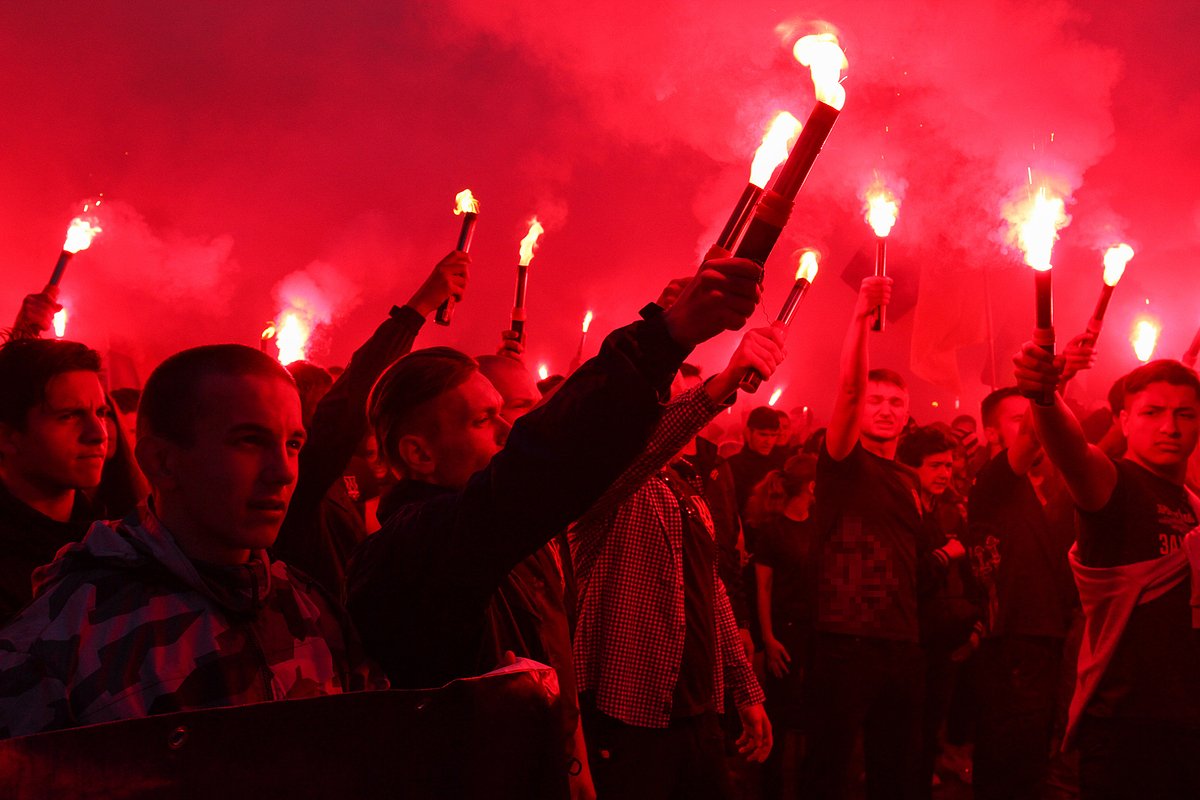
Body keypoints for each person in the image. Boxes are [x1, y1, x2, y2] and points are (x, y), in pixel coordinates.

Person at [346, 256, 763, 693]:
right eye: (484, 419)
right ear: (419, 452)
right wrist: (663, 338)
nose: (508, 430)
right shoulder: (413, 550)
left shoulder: (519, 546)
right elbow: (541, 461)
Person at [0, 344, 387, 738]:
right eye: (249, 441)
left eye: (293, 444)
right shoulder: (59, 643)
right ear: (162, 462)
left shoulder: (311, 608)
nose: (283, 472)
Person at [571, 324, 782, 800]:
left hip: (697, 706)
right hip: (628, 710)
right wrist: (725, 381)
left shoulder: (686, 487)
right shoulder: (602, 486)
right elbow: (643, 451)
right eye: (672, 404)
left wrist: (745, 690)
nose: (688, 415)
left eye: (687, 401)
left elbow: (711, 592)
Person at [1013, 349, 1200, 799]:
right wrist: (1044, 398)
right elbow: (1073, 453)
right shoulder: (1112, 484)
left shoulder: (1194, 505)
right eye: (1152, 412)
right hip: (1126, 726)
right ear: (1123, 419)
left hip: (1190, 725)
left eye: (1185, 415)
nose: (1170, 427)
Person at [273, 251, 468, 596]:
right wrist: (415, 310)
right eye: (322, 403)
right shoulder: (294, 484)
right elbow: (346, 406)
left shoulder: (341, 480)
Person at [799, 275, 927, 800]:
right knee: (828, 769)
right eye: (876, 399)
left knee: (895, 771)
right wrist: (859, 316)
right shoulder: (843, 462)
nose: (885, 408)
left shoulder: (911, 480)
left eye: (896, 401)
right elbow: (848, 391)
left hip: (902, 642)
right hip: (844, 638)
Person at [965, 387, 1078, 799]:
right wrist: (1052, 382)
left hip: (1052, 636)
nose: (1031, 424)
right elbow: (1036, 432)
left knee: (1039, 758)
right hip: (1011, 639)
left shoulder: (1052, 488)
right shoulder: (991, 482)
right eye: (1017, 418)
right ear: (992, 435)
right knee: (1007, 759)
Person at [897, 424, 984, 799]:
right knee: (907, 728)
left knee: (933, 723)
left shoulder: (948, 510)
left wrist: (975, 623)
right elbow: (903, 577)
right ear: (912, 468)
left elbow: (971, 571)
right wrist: (943, 555)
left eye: (948, 466)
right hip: (910, 637)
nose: (944, 474)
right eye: (934, 466)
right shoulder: (903, 511)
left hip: (945, 636)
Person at [0, 338, 108, 623]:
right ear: (8, 437)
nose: (97, 434)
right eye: (69, 416)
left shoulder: (116, 543)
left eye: (101, 413)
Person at [746, 453, 819, 800]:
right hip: (785, 631)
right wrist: (769, 638)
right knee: (779, 712)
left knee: (811, 714)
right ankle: (771, 789)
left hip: (815, 631)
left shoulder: (820, 525)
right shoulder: (773, 533)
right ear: (811, 486)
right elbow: (763, 588)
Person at [727, 406, 784, 531]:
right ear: (748, 432)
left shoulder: (781, 464)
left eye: (773, 435)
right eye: (763, 434)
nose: (768, 441)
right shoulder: (732, 466)